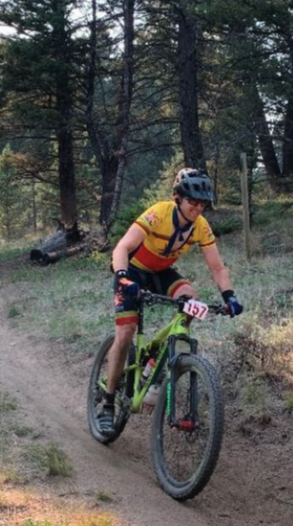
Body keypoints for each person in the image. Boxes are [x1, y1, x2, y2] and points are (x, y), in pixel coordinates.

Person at [98, 168, 243, 435]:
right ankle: (107, 402)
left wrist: (229, 296)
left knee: (191, 301)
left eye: (202, 204)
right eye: (193, 202)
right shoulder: (159, 213)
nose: (198, 209)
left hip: (162, 273)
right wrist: (122, 278)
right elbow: (122, 247)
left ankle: (155, 363)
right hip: (133, 270)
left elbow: (217, 268)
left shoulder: (200, 227)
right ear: (178, 198)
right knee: (126, 333)